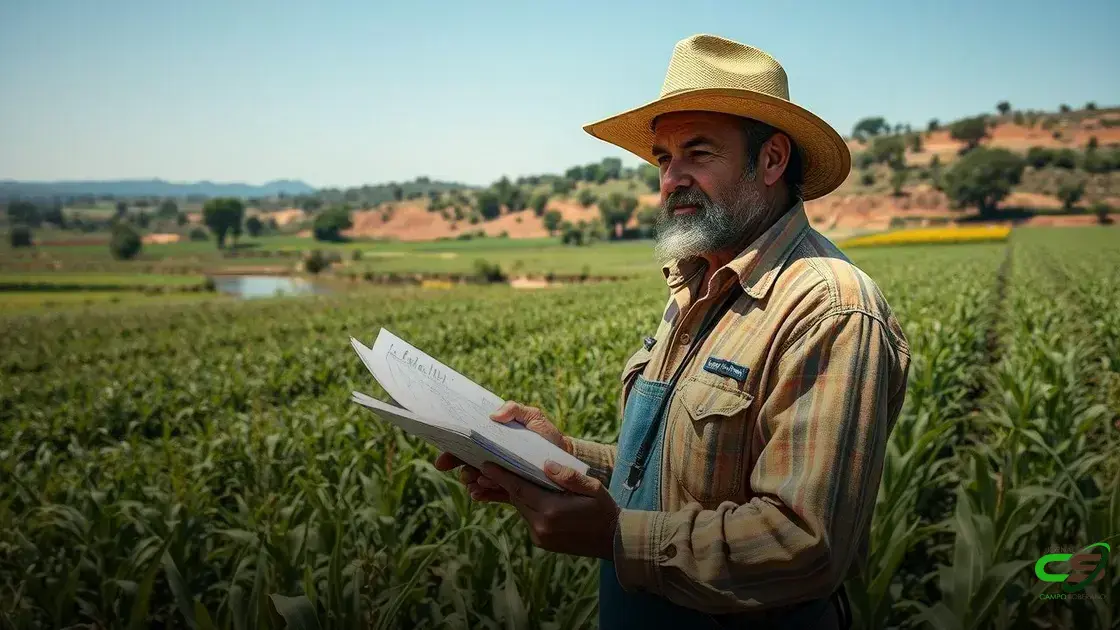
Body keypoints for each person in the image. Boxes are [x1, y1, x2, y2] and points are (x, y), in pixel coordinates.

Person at [435, 33, 910, 629]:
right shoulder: (696, 284)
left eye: (698, 153)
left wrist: (614, 535)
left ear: (771, 160)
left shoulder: (828, 310)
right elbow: (672, 476)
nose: (671, 179)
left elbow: (802, 543)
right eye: (663, 158)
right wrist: (557, 457)